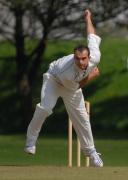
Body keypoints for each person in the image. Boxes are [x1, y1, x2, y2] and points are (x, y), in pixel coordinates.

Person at [24, 9, 103, 167]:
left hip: (71, 85)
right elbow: (77, 85)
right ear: (74, 57)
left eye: (83, 59)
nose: (80, 62)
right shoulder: (67, 69)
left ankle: (92, 153)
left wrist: (88, 19)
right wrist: (91, 76)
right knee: (46, 108)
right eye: (77, 59)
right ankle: (30, 142)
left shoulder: (95, 56)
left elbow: (91, 36)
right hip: (55, 79)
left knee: (82, 119)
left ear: (89, 56)